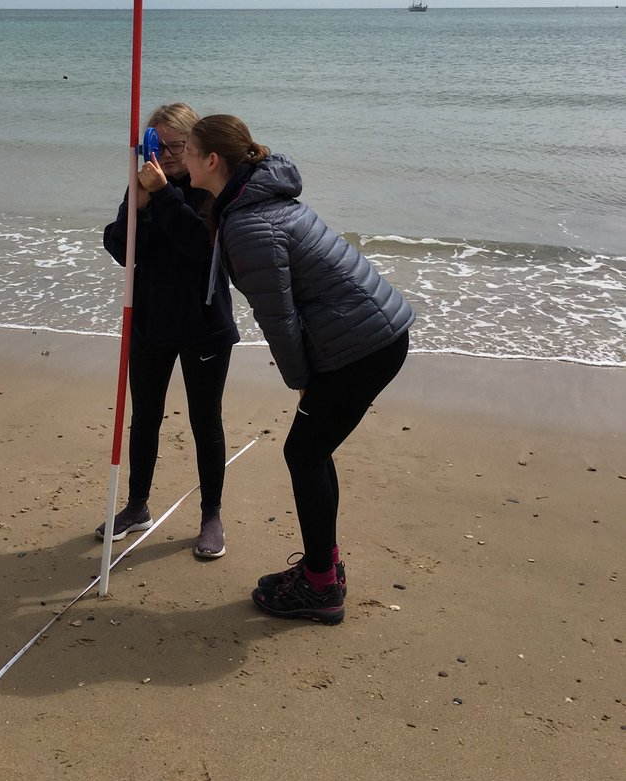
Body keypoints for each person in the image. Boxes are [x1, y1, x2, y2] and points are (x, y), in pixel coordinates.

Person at [184, 115, 415, 623]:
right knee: (312, 451)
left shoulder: (249, 224)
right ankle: (322, 569)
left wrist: (301, 380)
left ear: (212, 161)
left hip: (362, 345)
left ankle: (321, 587)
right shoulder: (255, 198)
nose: (182, 160)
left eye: (189, 152)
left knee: (303, 454)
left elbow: (279, 316)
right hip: (373, 332)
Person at [97, 102, 239, 559]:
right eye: (156, 146)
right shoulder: (144, 183)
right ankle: (137, 505)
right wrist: (137, 208)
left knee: (205, 420)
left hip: (204, 325)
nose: (167, 156)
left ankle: (211, 515)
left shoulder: (210, 187)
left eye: (177, 146)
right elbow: (122, 250)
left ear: (195, 146)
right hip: (152, 320)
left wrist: (162, 195)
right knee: (145, 417)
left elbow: (201, 246)